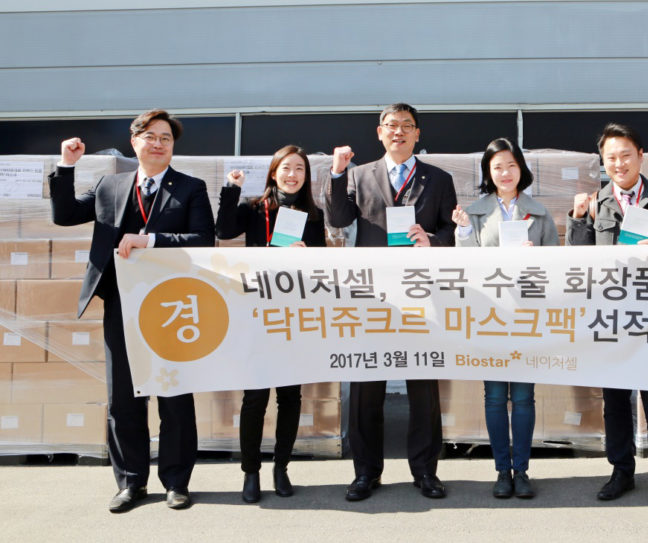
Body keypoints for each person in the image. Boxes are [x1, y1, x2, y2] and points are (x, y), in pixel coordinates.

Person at [49, 109, 215, 512]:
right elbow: (65, 215)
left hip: (172, 305)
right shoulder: (110, 185)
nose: (158, 144)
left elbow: (203, 238)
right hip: (121, 303)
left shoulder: (190, 187)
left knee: (174, 395)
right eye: (150, 136)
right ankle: (130, 482)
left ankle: (176, 482)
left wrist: (150, 240)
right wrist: (66, 166)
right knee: (123, 398)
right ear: (134, 141)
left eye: (166, 138)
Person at [324, 103, 457, 500]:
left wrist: (432, 241)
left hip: (421, 295)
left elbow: (451, 232)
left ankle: (425, 471)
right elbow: (337, 218)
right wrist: (336, 174)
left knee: (423, 388)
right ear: (379, 132)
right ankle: (365, 472)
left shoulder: (439, 178)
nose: (398, 131)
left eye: (406, 126)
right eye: (391, 125)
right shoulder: (358, 175)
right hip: (373, 295)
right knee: (366, 387)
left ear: (417, 134)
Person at [566, 123, 648, 515]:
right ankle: (621, 471)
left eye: (626, 155)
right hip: (612, 320)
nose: (619, 163)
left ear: (641, 155)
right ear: (602, 162)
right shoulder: (595, 204)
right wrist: (577, 219)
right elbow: (576, 263)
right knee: (615, 402)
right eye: (611, 158)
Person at [215, 145, 326, 503]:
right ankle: (251, 472)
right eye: (286, 168)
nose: (293, 175)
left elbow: (323, 264)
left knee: (290, 396)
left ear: (306, 176)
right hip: (257, 313)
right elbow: (224, 230)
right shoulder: (254, 208)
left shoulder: (314, 215)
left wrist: (307, 257)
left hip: (292, 315)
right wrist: (231, 189)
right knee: (255, 397)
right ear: (274, 172)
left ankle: (282, 467)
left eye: (300, 169)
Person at [451, 137, 558, 499]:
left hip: (527, 317)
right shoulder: (474, 212)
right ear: (488, 172)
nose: (505, 172)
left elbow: (557, 266)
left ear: (521, 169)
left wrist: (535, 257)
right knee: (495, 396)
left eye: (511, 165)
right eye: (497, 167)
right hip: (491, 317)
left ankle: (522, 470)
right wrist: (463, 231)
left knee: (524, 397)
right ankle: (501, 470)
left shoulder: (539, 213)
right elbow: (466, 267)